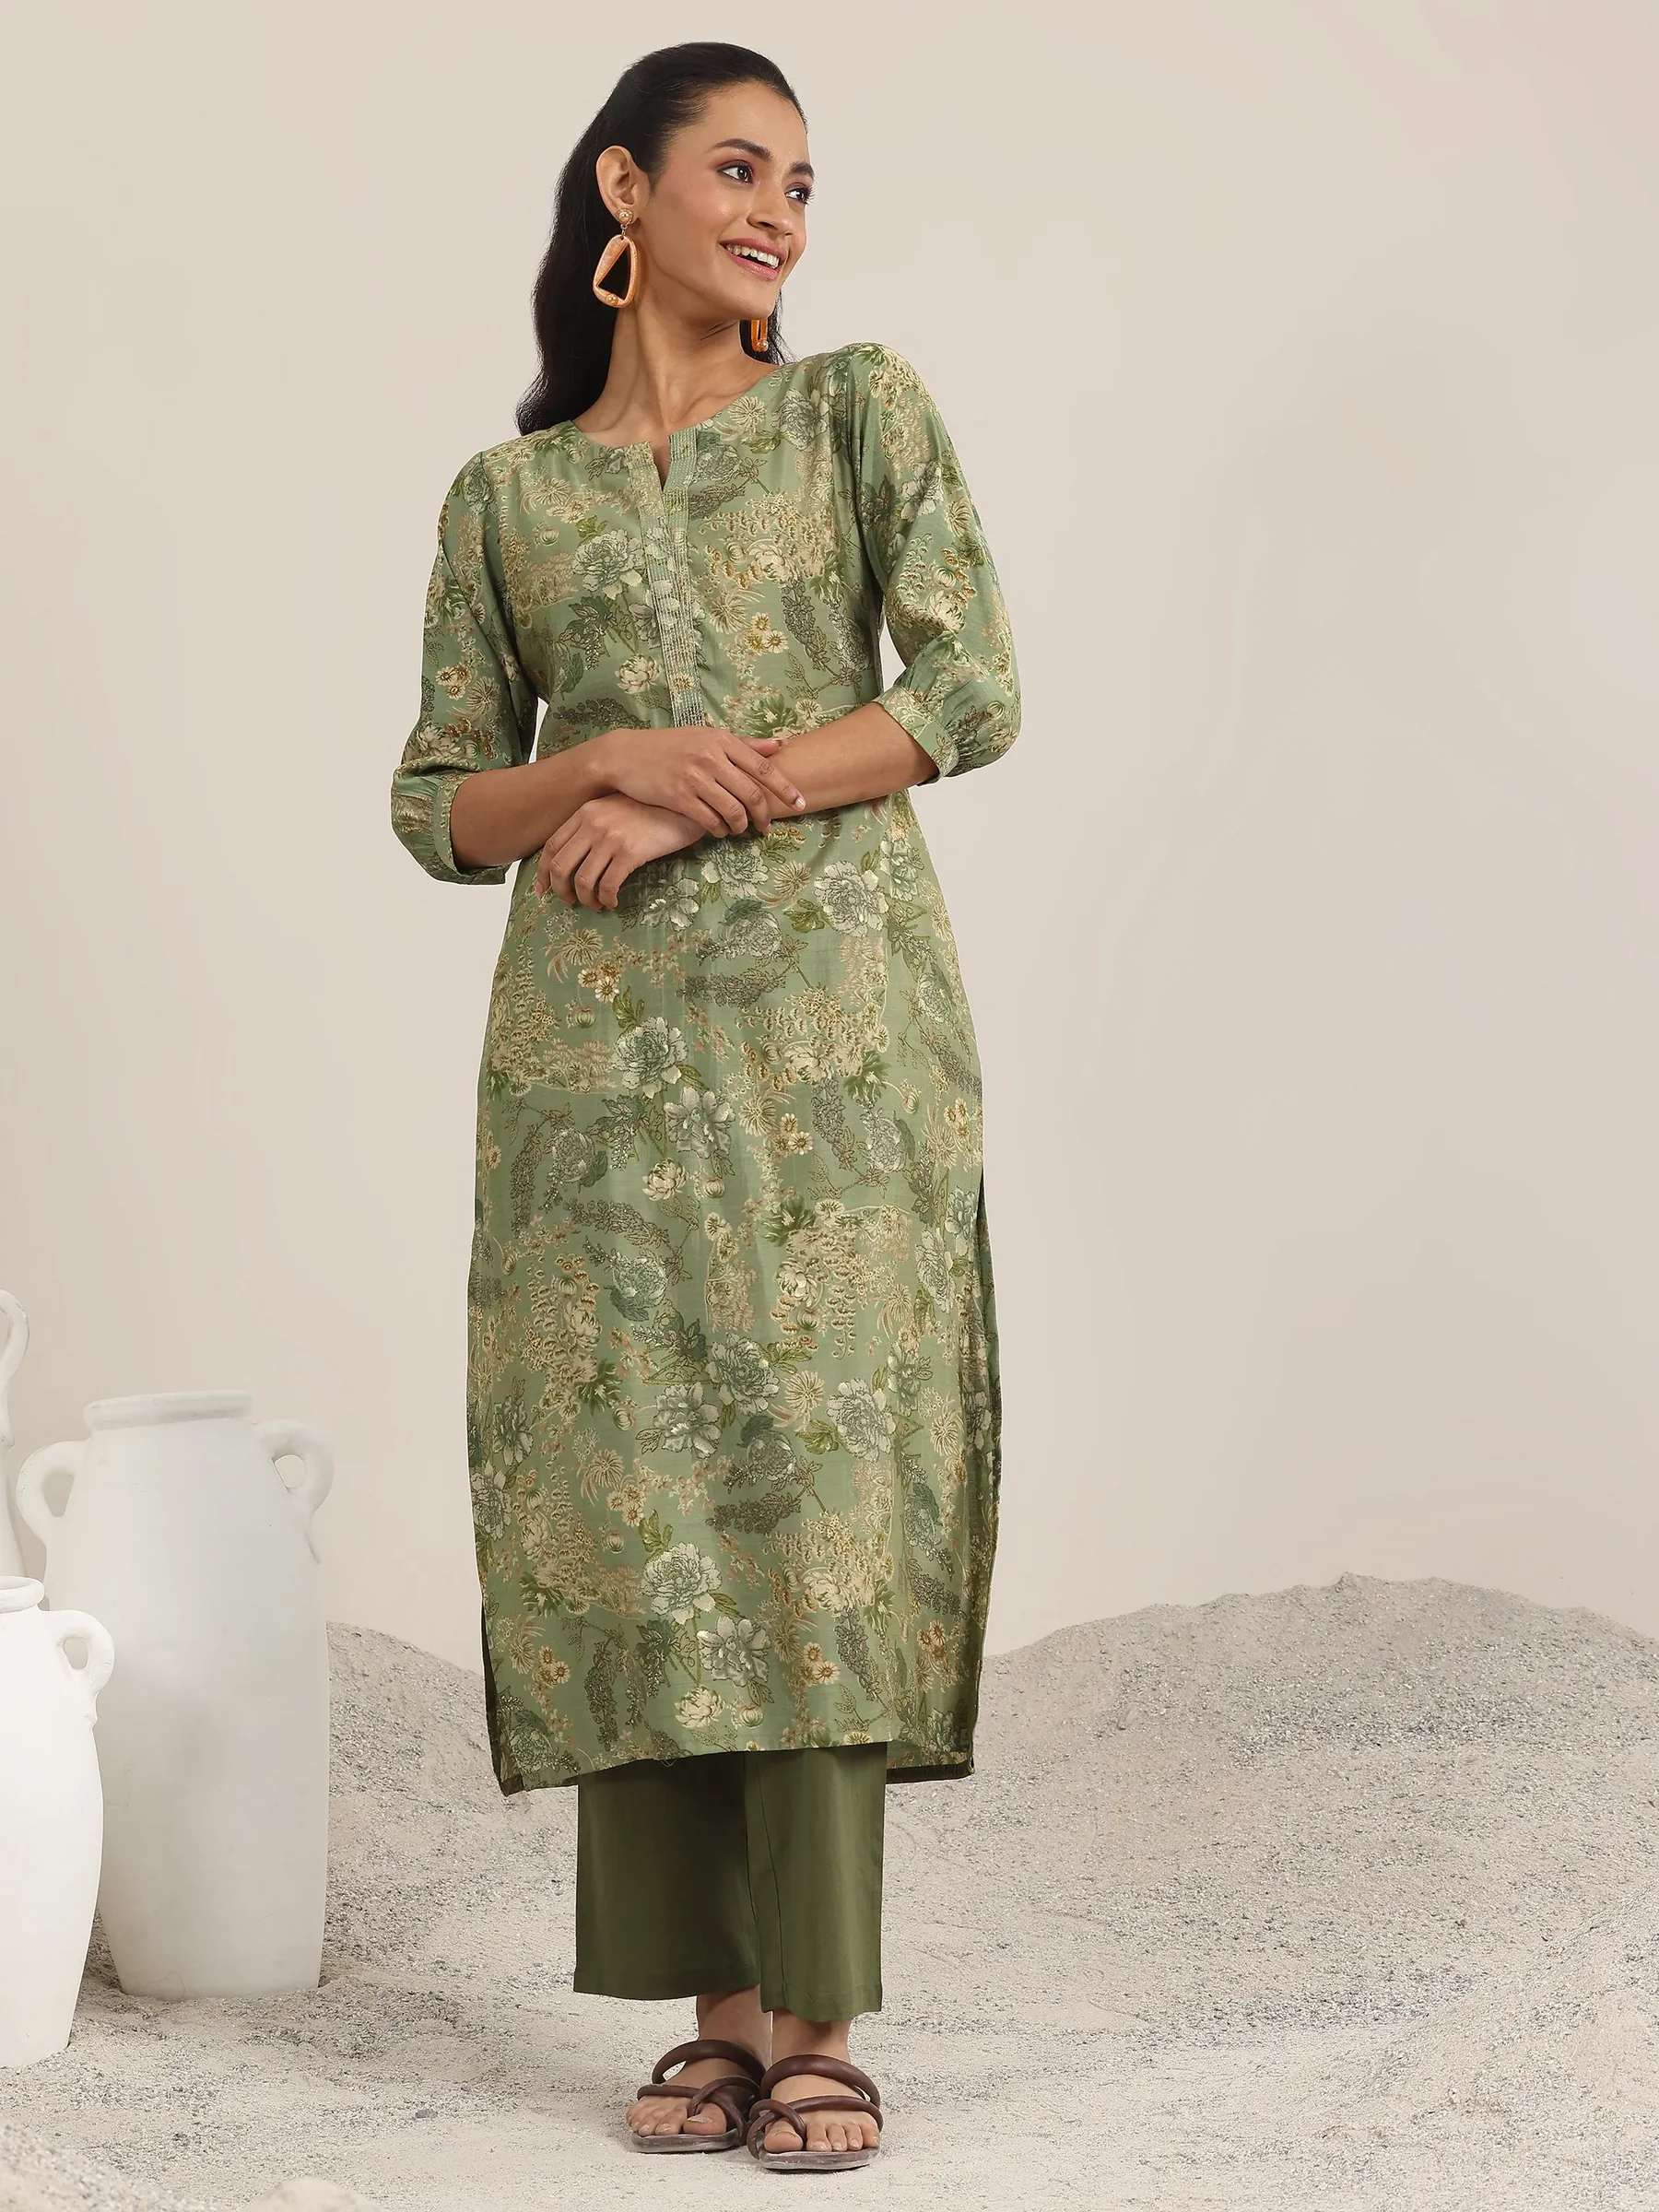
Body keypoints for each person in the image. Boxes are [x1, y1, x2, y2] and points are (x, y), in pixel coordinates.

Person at [388, 39, 1020, 2173]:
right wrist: (592, 766)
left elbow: (968, 690)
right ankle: (719, 2023)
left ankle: (824, 2018)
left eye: (803, 184)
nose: (779, 214)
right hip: (592, 1092)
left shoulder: (857, 416)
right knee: (643, 1502)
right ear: (622, 192)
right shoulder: (508, 503)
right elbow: (435, 804)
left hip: (835, 1063)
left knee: (818, 1505)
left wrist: (695, 799)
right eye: (740, 169)